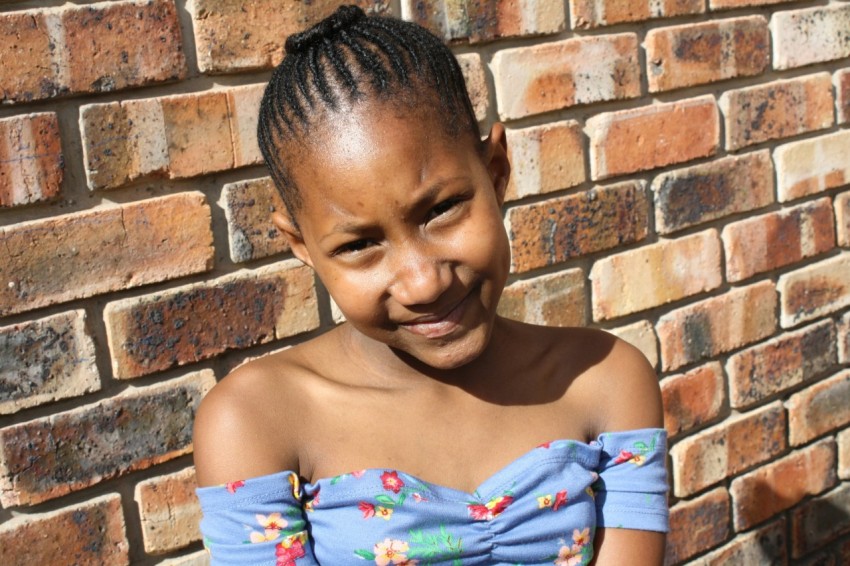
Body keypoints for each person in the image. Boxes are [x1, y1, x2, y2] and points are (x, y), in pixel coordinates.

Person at [193, 5, 668, 565]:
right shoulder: (256, 421)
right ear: (303, 247)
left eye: (442, 209)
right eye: (357, 245)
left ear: (495, 173)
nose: (422, 283)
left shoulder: (606, 381)